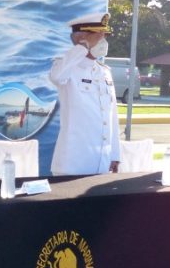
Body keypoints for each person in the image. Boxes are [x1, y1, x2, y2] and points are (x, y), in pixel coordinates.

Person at [48, 12, 120, 175]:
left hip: (101, 161)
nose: (103, 40)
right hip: (73, 163)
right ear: (82, 37)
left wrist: (114, 154)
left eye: (105, 35)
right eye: (98, 36)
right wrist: (83, 47)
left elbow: (112, 116)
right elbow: (56, 76)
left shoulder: (105, 72)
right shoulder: (66, 67)